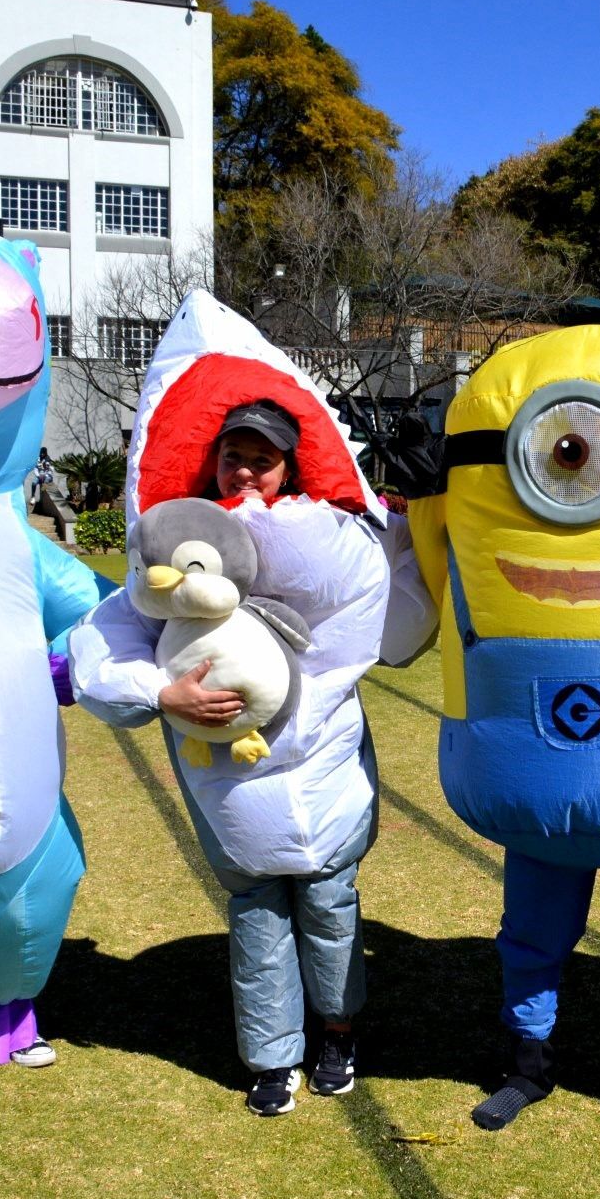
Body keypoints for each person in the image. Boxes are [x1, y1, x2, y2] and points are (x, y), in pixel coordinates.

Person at [72, 397, 409, 1117]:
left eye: (264, 459)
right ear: (214, 459)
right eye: (235, 456)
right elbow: (105, 645)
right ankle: (271, 1058)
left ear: (288, 467)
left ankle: (339, 1032)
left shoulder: (322, 540)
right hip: (226, 776)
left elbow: (361, 621)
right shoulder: (174, 547)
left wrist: (294, 706)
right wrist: (165, 695)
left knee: (328, 904)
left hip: (322, 764)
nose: (248, 471)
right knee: (257, 915)